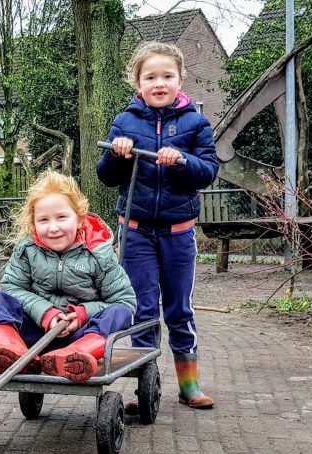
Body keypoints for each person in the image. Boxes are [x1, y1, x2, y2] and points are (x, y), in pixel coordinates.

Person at [97, 41, 220, 408]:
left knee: (179, 310)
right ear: (138, 83)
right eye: (150, 77)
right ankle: (144, 389)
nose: (159, 83)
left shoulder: (196, 124)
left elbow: (208, 173)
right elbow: (106, 176)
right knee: (143, 311)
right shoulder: (126, 121)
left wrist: (182, 159)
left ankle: (189, 386)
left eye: (167, 75)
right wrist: (118, 154)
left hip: (178, 234)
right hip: (135, 233)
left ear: (180, 80)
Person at [0, 171, 136, 383]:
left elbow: (124, 300)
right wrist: (45, 313)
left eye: (62, 217)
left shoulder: (98, 254)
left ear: (79, 220)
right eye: (43, 220)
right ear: (33, 225)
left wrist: (82, 313)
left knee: (120, 312)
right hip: (34, 334)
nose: (53, 228)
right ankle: (15, 351)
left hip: (81, 334)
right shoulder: (27, 250)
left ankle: (73, 356)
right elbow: (12, 288)